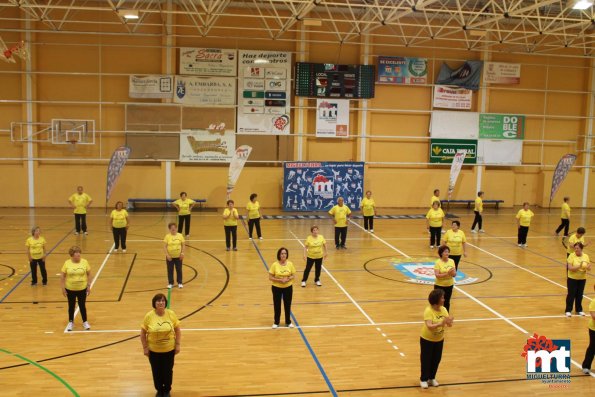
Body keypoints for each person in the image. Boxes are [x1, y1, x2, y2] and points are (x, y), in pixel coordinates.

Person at [140, 293, 181, 397]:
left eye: (163, 301)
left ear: (165, 303)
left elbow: (178, 330)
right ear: (154, 303)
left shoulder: (171, 314)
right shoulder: (149, 316)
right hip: (153, 351)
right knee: (156, 371)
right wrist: (145, 347)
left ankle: (167, 390)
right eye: (158, 301)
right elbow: (143, 333)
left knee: (168, 371)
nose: (161, 303)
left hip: (169, 350)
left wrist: (178, 345)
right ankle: (159, 390)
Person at [419, 288, 454, 389]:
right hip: (427, 340)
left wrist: (449, 321)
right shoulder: (428, 310)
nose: (444, 299)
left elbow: (449, 325)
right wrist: (441, 323)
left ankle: (432, 378)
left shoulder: (444, 309)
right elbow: (429, 326)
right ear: (436, 300)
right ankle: (423, 379)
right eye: (442, 298)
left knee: (436, 359)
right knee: (426, 359)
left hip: (439, 339)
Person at [61, 246, 92, 331]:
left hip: (82, 288)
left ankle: (85, 322)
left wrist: (89, 285)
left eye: (79, 252)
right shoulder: (67, 263)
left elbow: (89, 274)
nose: (78, 254)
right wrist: (63, 288)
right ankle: (71, 322)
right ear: (72, 255)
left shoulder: (84, 262)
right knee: (71, 306)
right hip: (70, 288)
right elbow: (63, 276)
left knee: (82, 305)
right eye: (76, 253)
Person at [268, 247, 296, 328]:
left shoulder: (290, 264)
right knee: (277, 305)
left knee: (287, 304)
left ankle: (288, 322)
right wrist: (279, 280)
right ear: (279, 255)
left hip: (288, 287)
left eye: (285, 253)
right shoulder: (274, 265)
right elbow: (270, 277)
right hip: (276, 287)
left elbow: (293, 275)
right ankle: (276, 322)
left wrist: (287, 279)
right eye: (282, 253)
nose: (284, 255)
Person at [565, 242, 591, 317]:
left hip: (582, 278)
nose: (576, 250)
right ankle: (568, 310)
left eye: (577, 248)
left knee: (580, 294)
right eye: (575, 248)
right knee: (571, 294)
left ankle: (579, 309)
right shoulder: (571, 256)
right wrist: (579, 266)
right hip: (572, 278)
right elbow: (570, 268)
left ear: (581, 249)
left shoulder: (586, 256)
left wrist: (587, 267)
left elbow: (589, 268)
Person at [434, 245, 456, 312]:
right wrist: (447, 273)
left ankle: (446, 316)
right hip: (439, 286)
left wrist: (453, 273)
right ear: (441, 253)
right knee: (438, 302)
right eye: (445, 252)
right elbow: (437, 275)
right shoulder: (438, 262)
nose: (447, 253)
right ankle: (437, 315)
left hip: (449, 285)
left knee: (447, 302)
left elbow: (454, 274)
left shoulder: (451, 261)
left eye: (448, 252)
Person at [163, 223, 185, 289]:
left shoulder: (180, 236)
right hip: (170, 257)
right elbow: (164, 247)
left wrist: (182, 253)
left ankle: (180, 282)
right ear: (169, 229)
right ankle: (170, 283)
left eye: (174, 228)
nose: (173, 229)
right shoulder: (167, 236)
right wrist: (167, 255)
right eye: (172, 228)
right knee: (170, 270)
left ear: (176, 228)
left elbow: (183, 245)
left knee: (179, 269)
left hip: (178, 257)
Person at [581, 283, 595, 375]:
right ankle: (586, 366)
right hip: (593, 328)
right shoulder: (594, 302)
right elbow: (594, 316)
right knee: (593, 347)